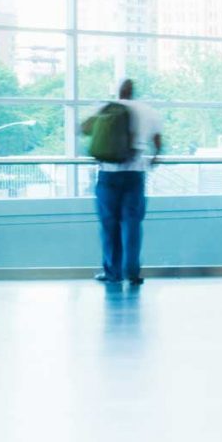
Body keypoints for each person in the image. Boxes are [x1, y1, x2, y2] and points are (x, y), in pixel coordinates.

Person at [82, 79, 162, 287]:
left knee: (109, 224)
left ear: (119, 92)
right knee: (132, 224)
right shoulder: (148, 111)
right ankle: (132, 273)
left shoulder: (105, 108)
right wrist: (153, 159)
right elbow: (157, 142)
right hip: (135, 173)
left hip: (108, 174)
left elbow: (85, 129)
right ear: (134, 92)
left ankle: (112, 272)